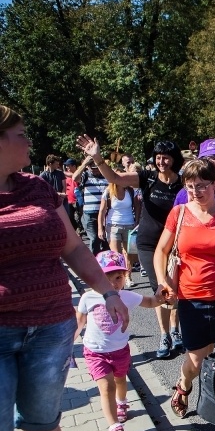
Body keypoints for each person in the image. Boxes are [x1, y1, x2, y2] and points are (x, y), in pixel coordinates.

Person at [1, 105, 129, 431]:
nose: (30, 140)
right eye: (21, 134)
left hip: (50, 326)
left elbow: (72, 247)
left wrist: (107, 290)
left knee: (41, 421)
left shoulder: (37, 187)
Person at [76, 136, 185, 359]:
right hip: (148, 243)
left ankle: (176, 331)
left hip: (175, 243)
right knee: (161, 288)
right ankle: (164, 335)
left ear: (174, 160)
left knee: (176, 288)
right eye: (158, 157)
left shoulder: (182, 184)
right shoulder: (147, 178)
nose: (161, 161)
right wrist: (97, 158)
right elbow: (115, 177)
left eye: (165, 158)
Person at [154, 159, 215, 419]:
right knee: (196, 358)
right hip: (191, 298)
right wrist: (162, 281)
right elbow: (161, 250)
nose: (196, 192)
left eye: (202, 186)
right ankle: (183, 386)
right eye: (191, 187)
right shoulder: (179, 213)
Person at [74, 251, 163, 431]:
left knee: (120, 381)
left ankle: (121, 403)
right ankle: (114, 427)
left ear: (125, 276)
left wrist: (160, 296)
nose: (113, 283)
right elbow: (79, 322)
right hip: (95, 352)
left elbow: (150, 302)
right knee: (106, 387)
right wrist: (66, 344)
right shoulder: (88, 298)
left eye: (118, 277)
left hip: (120, 351)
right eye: (106, 278)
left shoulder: (126, 296)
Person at [98, 174, 139, 288]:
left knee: (129, 253)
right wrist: (100, 228)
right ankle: (118, 280)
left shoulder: (130, 191)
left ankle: (128, 277)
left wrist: (137, 221)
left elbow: (137, 206)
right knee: (116, 255)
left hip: (129, 224)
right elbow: (102, 211)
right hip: (113, 225)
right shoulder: (108, 191)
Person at [71, 156, 110, 255]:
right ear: (89, 167)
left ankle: (107, 265)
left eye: (97, 168)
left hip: (105, 213)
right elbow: (74, 178)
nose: (95, 171)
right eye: (93, 168)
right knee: (95, 238)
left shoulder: (106, 176)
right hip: (90, 213)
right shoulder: (86, 175)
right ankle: (94, 263)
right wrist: (84, 163)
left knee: (106, 240)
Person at [63, 158, 81, 232]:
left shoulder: (78, 174)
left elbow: (74, 176)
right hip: (68, 200)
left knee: (78, 218)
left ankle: (79, 232)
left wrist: (61, 172)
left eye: (68, 165)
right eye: (66, 166)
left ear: (74, 166)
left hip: (77, 200)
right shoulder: (65, 176)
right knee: (70, 217)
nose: (67, 167)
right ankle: (75, 232)